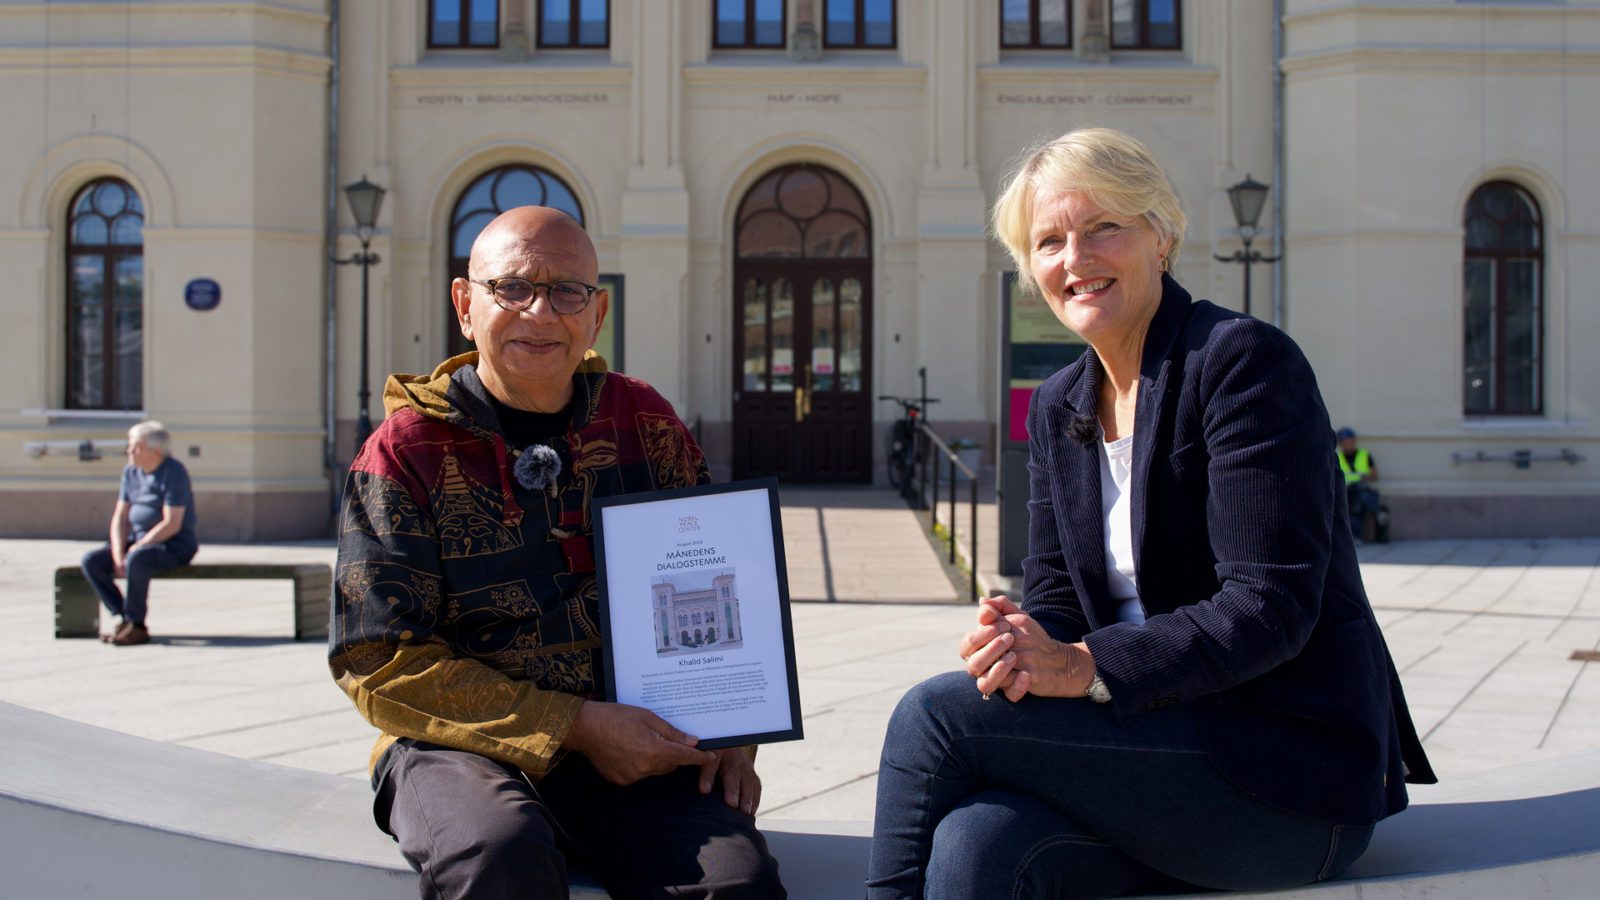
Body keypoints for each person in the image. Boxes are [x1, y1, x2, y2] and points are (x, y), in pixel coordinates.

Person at [866, 129, 1435, 899]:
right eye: (1049, 241)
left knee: (935, 718)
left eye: (1105, 227)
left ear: (1161, 235)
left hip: (1286, 775)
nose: (1076, 258)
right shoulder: (1061, 403)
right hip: (1151, 750)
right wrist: (1021, 643)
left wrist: (1086, 667)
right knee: (976, 847)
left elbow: (1268, 608)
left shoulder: (1240, 364)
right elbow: (1060, 597)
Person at [328, 206, 784, 900]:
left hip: (635, 744)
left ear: (596, 315)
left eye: (567, 292)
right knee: (499, 855)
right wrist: (574, 725)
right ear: (464, 304)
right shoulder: (405, 451)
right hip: (456, 747)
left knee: (732, 884)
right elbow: (375, 658)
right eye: (512, 288)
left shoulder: (644, 422)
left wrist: (733, 732)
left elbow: (724, 585)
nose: (540, 313)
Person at [80, 421, 199, 647]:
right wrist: (118, 552)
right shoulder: (131, 471)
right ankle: (122, 617)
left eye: (135, 448)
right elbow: (121, 516)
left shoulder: (174, 472)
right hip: (139, 541)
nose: (129, 452)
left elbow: (172, 523)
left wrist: (137, 547)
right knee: (91, 561)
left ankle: (137, 625)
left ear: (155, 452)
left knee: (137, 559)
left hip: (173, 544)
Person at [1338, 426, 1382, 542]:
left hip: (1358, 490)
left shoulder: (1364, 454)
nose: (1349, 444)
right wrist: (1358, 477)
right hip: (1344, 490)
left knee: (1357, 505)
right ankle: (1377, 511)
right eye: (1346, 442)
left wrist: (1361, 478)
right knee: (1362, 494)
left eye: (1350, 441)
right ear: (1341, 443)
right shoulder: (1336, 456)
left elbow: (1374, 476)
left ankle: (1355, 537)